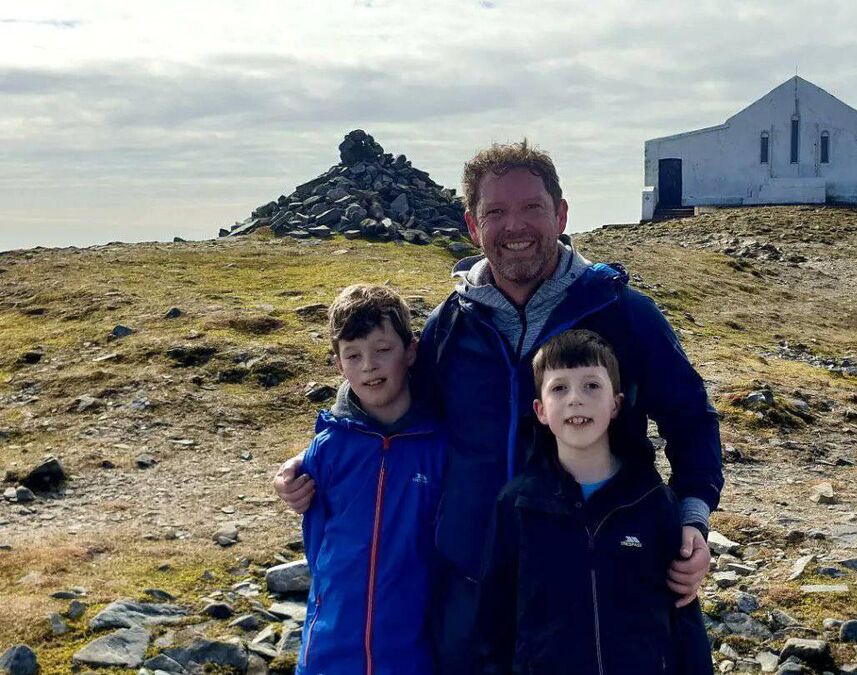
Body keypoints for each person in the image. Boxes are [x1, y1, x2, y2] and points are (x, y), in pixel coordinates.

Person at [275, 140, 723, 674]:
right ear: (472, 225)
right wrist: (316, 456)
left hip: (597, 578)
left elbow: (691, 419)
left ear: (560, 214)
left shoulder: (624, 313)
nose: (515, 226)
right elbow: (389, 399)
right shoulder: (451, 324)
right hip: (472, 585)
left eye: (532, 207)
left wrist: (692, 520)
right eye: (495, 212)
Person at [478, 329, 697, 674]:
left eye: (592, 385)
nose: (575, 399)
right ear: (540, 410)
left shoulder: (653, 501)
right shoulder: (516, 504)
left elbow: (684, 616)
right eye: (559, 388)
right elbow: (494, 620)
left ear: (615, 404)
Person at [295, 284, 444, 675]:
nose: (369, 366)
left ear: (410, 352)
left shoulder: (439, 447)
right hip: (327, 653)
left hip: (413, 655)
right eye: (353, 355)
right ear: (338, 364)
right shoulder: (328, 449)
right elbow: (316, 548)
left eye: (382, 350)